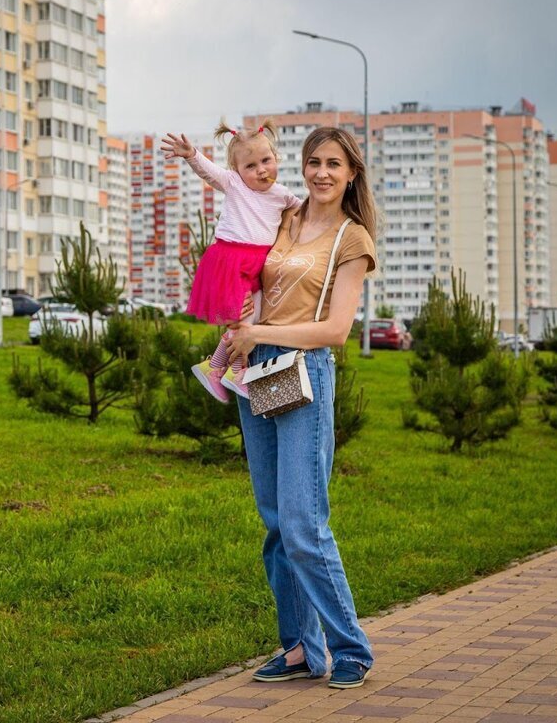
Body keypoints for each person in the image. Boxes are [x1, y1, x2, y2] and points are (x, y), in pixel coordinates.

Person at [224, 126, 378, 690]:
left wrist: (258, 329)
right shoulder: (285, 218)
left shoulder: (352, 239)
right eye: (314, 161)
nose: (321, 173)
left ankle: (350, 648)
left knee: (303, 524)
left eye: (334, 164)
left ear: (351, 174)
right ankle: (298, 649)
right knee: (274, 523)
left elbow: (337, 331)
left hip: (304, 372)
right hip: (257, 366)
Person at [160, 122, 303, 402]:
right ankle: (235, 373)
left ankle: (214, 367)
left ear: (276, 159)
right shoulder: (235, 185)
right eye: (250, 166)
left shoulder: (282, 194)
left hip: (258, 265)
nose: (261, 169)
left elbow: (308, 211)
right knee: (243, 322)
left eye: (266, 161)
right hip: (231, 261)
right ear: (238, 171)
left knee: (256, 319)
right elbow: (210, 172)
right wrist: (192, 155)